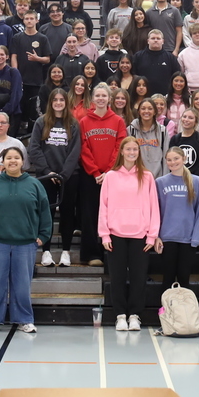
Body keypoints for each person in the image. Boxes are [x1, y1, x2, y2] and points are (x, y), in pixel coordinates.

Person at [0, 147, 51, 334]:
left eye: (16, 158)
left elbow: (44, 212)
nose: (12, 161)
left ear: (22, 162)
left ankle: (24, 319)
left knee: (22, 284)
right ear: (3, 161)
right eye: (9, 158)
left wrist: (43, 235)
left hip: (26, 243)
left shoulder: (34, 185)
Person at [98, 137, 160, 331]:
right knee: (116, 277)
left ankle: (134, 315)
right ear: (122, 152)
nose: (132, 152)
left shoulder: (147, 176)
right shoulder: (110, 176)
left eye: (135, 149)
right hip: (116, 234)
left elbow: (153, 207)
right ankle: (120, 315)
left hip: (140, 235)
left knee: (138, 277)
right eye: (128, 149)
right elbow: (103, 206)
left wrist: (152, 235)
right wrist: (105, 234)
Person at [29, 89, 82, 267]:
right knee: (46, 214)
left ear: (66, 102)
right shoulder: (41, 122)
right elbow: (34, 148)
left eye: (62, 100)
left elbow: (75, 151)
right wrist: (47, 171)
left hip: (69, 176)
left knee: (68, 213)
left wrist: (63, 174)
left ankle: (66, 251)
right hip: (46, 176)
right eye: (55, 100)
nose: (59, 103)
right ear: (50, 102)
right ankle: (46, 251)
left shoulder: (73, 123)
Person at [78, 85, 127, 267]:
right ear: (92, 99)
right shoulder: (84, 121)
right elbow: (83, 148)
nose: (100, 98)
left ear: (109, 99)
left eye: (103, 96)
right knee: (90, 215)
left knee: (111, 214)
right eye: (97, 95)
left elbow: (119, 146)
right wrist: (96, 172)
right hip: (90, 176)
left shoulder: (118, 121)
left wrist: (108, 171)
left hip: (112, 175)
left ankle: (111, 255)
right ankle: (91, 254)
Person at [155, 147, 199, 290]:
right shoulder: (160, 182)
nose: (173, 162)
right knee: (167, 279)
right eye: (169, 160)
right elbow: (156, 211)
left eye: (176, 158)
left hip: (188, 239)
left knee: (184, 279)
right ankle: (165, 311)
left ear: (184, 159)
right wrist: (156, 236)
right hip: (167, 238)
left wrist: (196, 237)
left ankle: (184, 312)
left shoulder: (197, 182)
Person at [9, 8, 52, 135]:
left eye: (31, 19)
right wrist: (15, 76)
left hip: (36, 81)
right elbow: (13, 56)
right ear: (23, 20)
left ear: (36, 20)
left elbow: (47, 59)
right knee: (18, 111)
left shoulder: (42, 38)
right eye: (26, 19)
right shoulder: (17, 37)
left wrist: (37, 58)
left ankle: (32, 138)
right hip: (20, 82)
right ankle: (14, 137)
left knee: (34, 112)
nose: (29, 21)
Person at [128, 98, 168, 179]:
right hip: (137, 177)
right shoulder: (131, 130)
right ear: (138, 111)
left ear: (155, 112)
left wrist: (164, 178)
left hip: (158, 177)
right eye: (143, 108)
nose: (146, 111)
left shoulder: (162, 131)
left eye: (150, 109)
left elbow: (166, 156)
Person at [133, 30, 178, 95]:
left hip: (165, 96)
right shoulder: (138, 56)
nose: (155, 40)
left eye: (158, 38)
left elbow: (176, 76)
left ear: (163, 41)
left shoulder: (170, 58)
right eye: (153, 38)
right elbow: (133, 75)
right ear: (148, 41)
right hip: (143, 96)